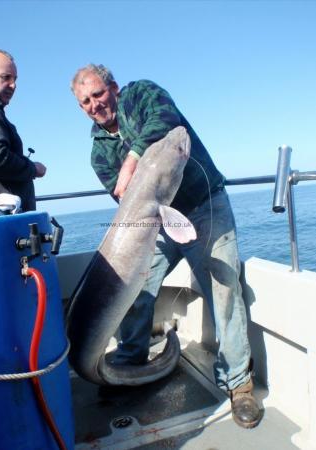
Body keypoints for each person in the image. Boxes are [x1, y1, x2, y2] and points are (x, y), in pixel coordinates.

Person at [71, 63, 262, 429]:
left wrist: (133, 158)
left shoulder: (141, 94)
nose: (95, 104)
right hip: (156, 220)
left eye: (98, 94)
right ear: (81, 108)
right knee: (134, 292)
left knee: (223, 291)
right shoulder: (97, 153)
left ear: (112, 87)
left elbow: (166, 119)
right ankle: (128, 363)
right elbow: (128, 201)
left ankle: (239, 383)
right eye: (86, 101)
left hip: (203, 205)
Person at [0, 49, 46, 212]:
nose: (13, 85)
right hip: (3, 220)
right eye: (5, 77)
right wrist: (33, 168)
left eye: (14, 79)